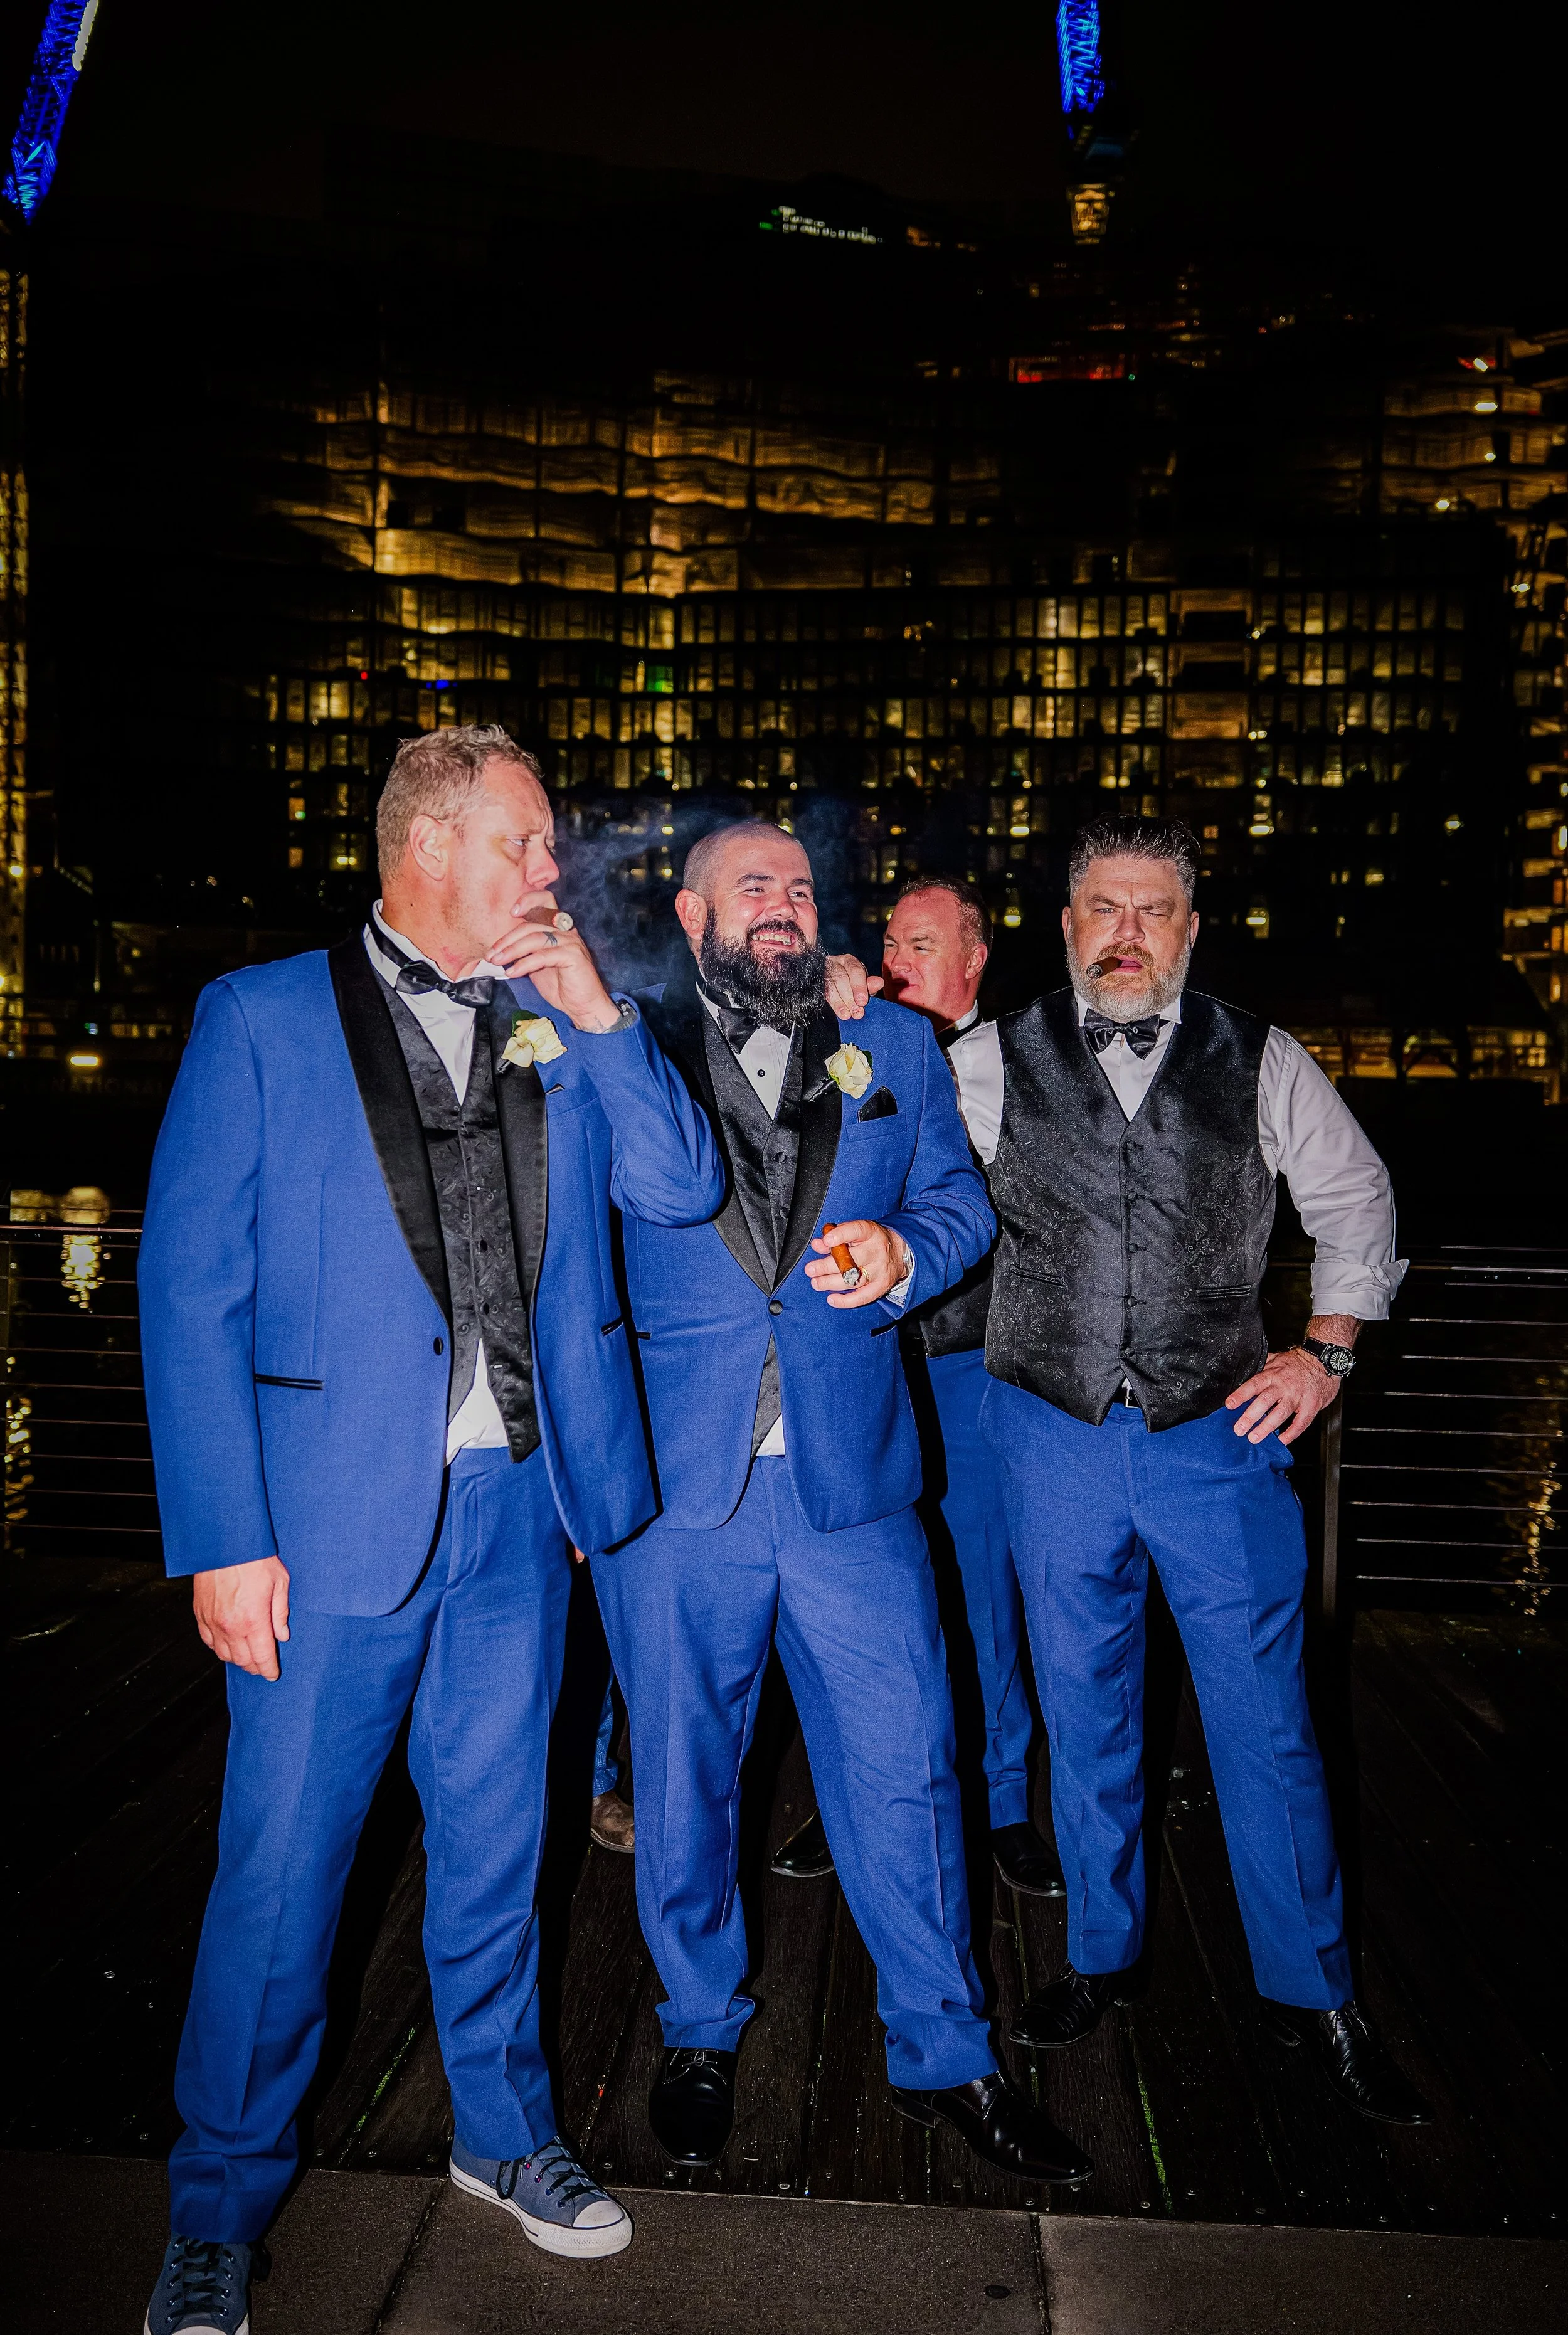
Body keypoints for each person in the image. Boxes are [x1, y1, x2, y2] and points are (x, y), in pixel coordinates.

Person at [137, 726, 726, 2335]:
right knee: (279, 1877)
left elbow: (679, 1194)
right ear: (429, 848)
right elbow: (188, 1291)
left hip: (517, 1518)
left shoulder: (570, 1017)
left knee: (496, 1848)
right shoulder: (257, 1018)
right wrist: (221, 1535)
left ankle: (503, 2134)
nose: (557, 871)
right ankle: (213, 2207)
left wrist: (599, 1020)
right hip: (319, 1532)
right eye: (530, 845)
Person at [593, 818, 1094, 2191]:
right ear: (690, 918)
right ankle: (697, 2027)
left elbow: (960, 1209)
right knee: (687, 1784)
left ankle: (947, 2049)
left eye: (801, 887)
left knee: (910, 1771)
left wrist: (904, 1250)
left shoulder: (900, 1051)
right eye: (750, 886)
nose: (784, 905)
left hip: (854, 1488)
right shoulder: (618, 1052)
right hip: (677, 1496)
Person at [978, 813, 1429, 2125]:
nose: (1123, 932)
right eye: (1100, 909)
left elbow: (1355, 1202)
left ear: (1186, 927)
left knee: (1266, 1729)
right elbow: (899, 1184)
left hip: (1216, 1443)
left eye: (1150, 910)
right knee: (1086, 1716)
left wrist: (1323, 1355)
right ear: (1065, 926)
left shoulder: (1259, 1056)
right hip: (1050, 1437)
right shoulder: (984, 1060)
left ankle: (1311, 1995)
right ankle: (1098, 1958)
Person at [769, 878, 1063, 1903]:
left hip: (974, 1366)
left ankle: (1004, 1799)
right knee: (864, 1604)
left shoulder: (1037, 1064)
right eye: (888, 940)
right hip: (863, 1366)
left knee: (980, 1590)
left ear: (976, 961)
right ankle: (856, 1791)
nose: (896, 961)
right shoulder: (860, 1035)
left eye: (922, 944)